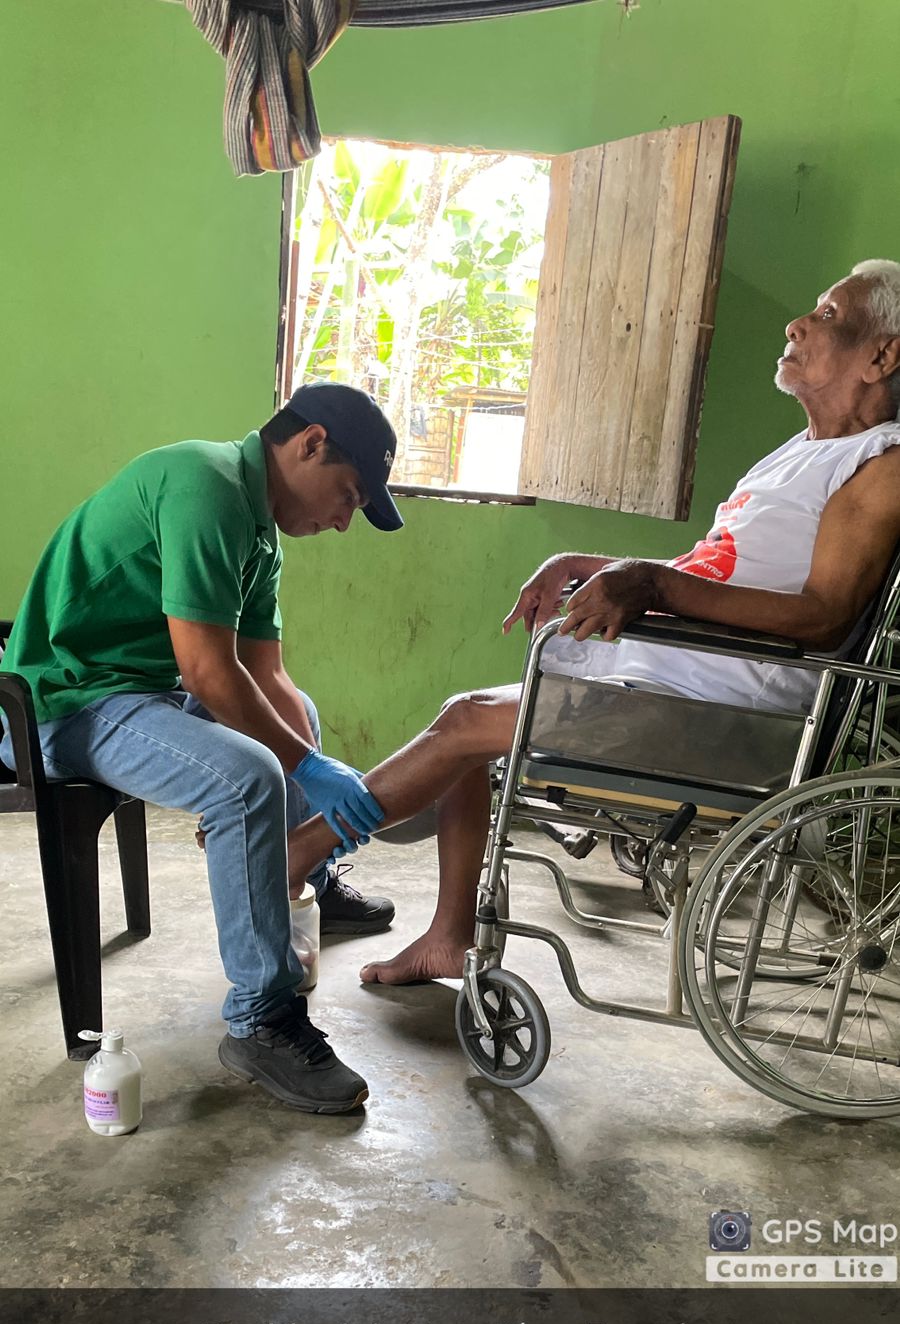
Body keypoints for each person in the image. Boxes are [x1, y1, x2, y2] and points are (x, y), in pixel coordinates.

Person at [280, 260, 900, 986]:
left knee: (466, 726)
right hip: (680, 686)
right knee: (465, 724)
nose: (797, 325)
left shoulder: (880, 465)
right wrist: (587, 564)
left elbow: (824, 617)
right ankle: (445, 934)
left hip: (729, 719)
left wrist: (650, 582)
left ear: (882, 355)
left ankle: (295, 856)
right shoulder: (805, 452)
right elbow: (714, 570)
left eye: (828, 315)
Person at [0, 382, 403, 1112]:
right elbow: (209, 674)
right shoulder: (204, 485)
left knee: (299, 719)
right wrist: (303, 767)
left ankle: (304, 878)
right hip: (66, 702)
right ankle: (261, 1020)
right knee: (246, 778)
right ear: (310, 443)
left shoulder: (259, 531)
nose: (345, 522)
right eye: (349, 495)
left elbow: (266, 674)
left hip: (140, 689)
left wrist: (312, 777)